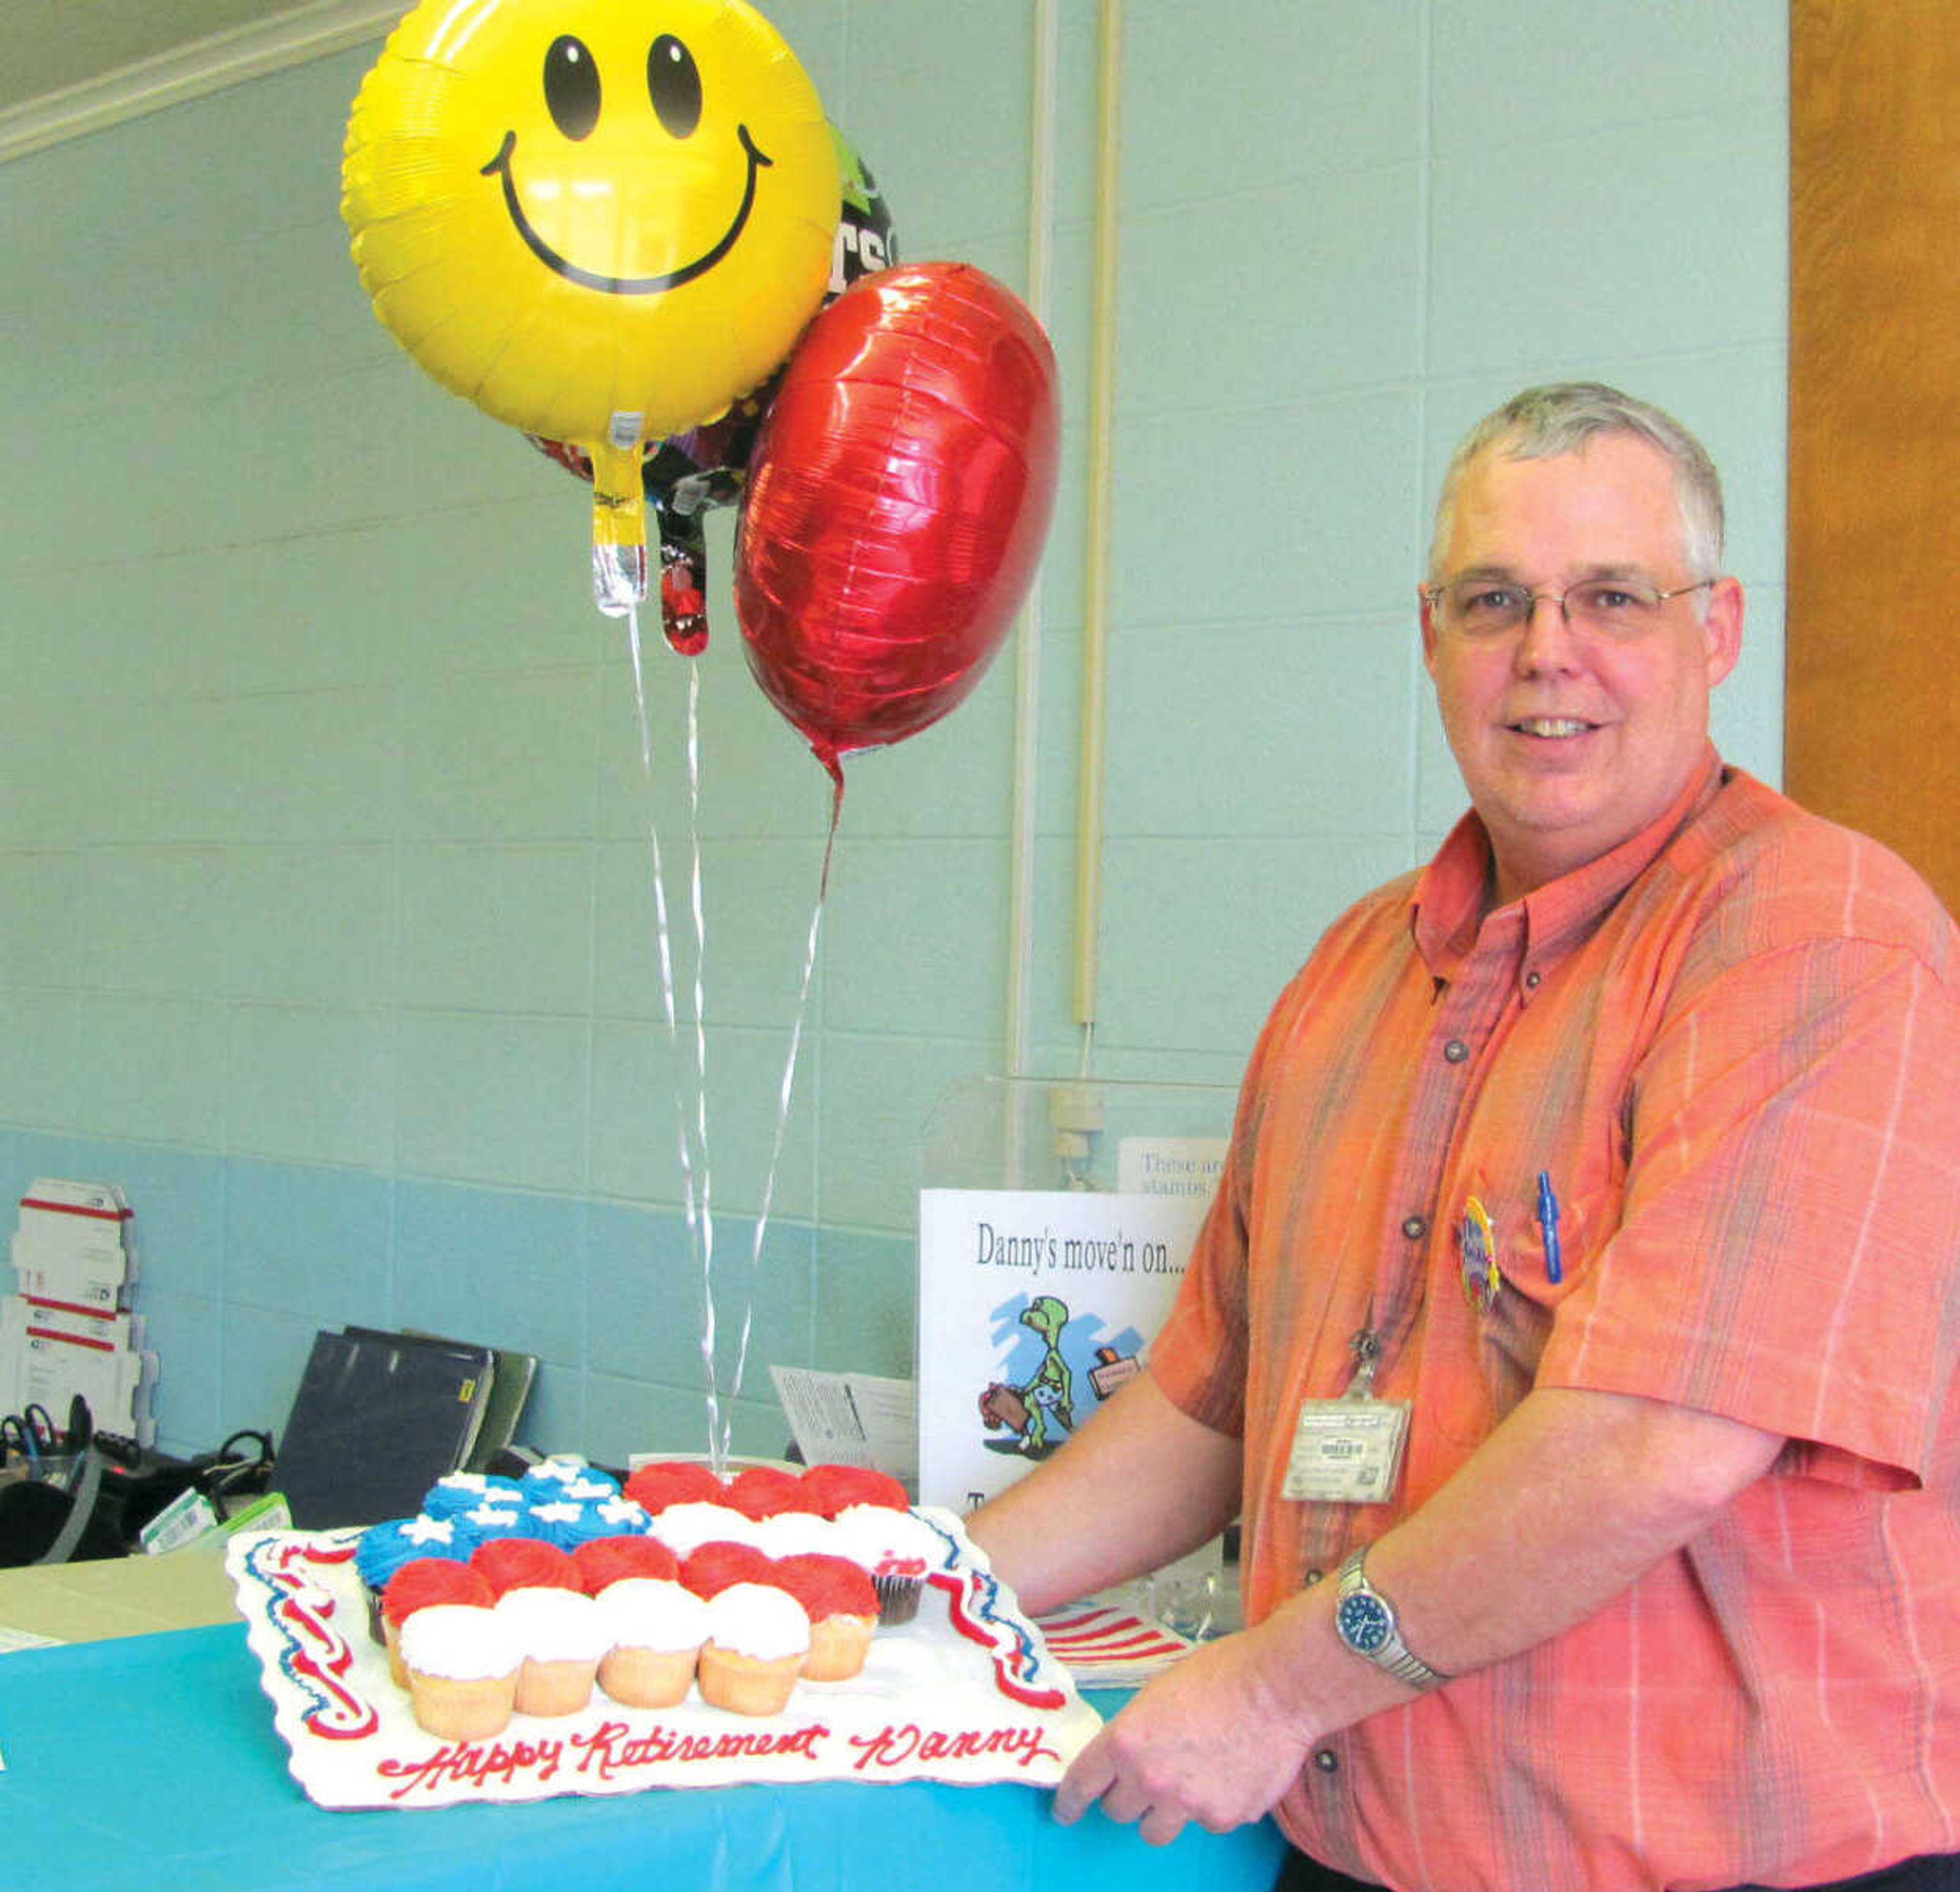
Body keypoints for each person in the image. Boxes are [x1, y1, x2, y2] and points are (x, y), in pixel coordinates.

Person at [968, 383, 1960, 1892]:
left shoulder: (1819, 938)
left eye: (1612, 596)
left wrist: (1275, 1687)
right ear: (1430, 636)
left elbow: (1655, 1439)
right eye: (1495, 599)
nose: (1547, 650)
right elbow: (1206, 1401)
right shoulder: (1351, 973)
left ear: (1720, 631)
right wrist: (926, 1579)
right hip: (1356, 1851)